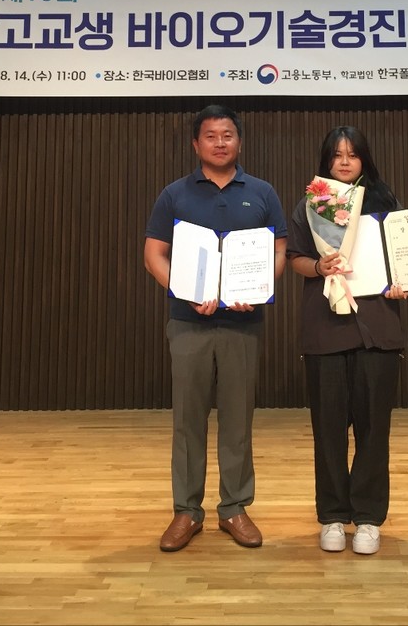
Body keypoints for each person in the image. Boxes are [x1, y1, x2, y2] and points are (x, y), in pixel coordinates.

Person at [144, 104, 287, 553]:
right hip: (188, 322)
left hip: (243, 324)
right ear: (196, 143)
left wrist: (260, 288)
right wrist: (184, 291)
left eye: (227, 135)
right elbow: (153, 255)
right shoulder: (174, 194)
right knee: (188, 419)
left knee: (238, 418)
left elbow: (279, 250)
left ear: (238, 141)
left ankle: (234, 508)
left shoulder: (261, 192)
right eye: (211, 135)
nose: (220, 142)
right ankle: (186, 511)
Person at [287, 125, 408, 556]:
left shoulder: (385, 203)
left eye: (352, 154)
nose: (344, 161)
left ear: (364, 159)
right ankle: (333, 517)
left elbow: (404, 259)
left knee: (375, 430)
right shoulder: (312, 204)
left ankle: (369, 518)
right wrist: (318, 267)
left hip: (378, 329)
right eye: (337, 154)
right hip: (326, 329)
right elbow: (295, 258)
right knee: (328, 430)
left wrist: (403, 283)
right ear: (326, 160)